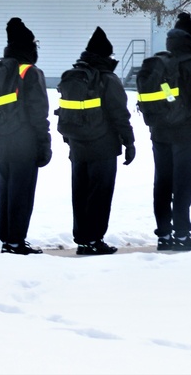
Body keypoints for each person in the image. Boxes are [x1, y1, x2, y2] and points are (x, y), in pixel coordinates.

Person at [143, 13, 191, 251]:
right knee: (183, 184)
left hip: (159, 132)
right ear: (190, 39)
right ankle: (182, 235)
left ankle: (163, 235)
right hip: (185, 132)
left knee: (162, 183)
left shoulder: (159, 62)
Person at [61, 27, 135, 256]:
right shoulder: (107, 79)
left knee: (80, 194)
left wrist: (70, 140)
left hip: (78, 146)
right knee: (99, 195)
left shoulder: (74, 76)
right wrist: (129, 142)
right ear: (105, 56)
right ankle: (95, 239)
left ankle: (83, 240)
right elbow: (119, 115)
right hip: (102, 147)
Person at [0, 18, 52, 255]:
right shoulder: (30, 72)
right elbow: (39, 113)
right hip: (24, 142)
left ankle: (8, 239)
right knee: (22, 193)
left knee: (5, 192)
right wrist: (44, 144)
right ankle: (16, 241)